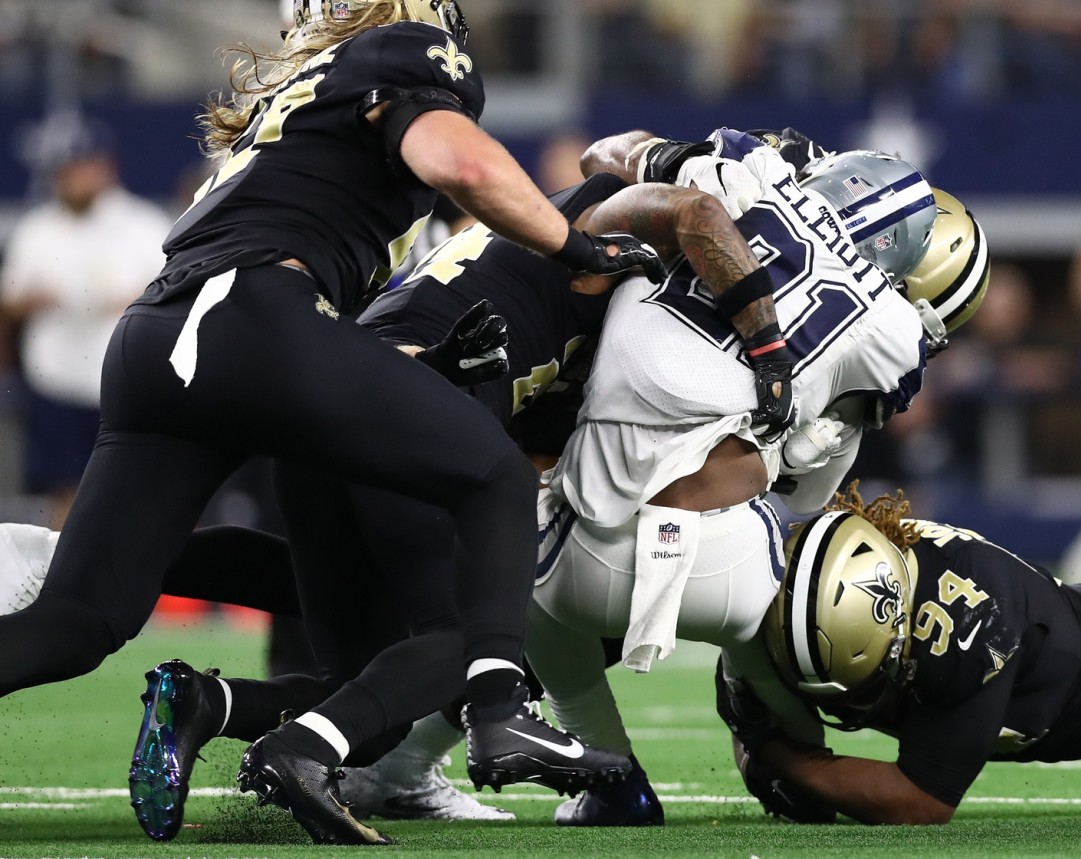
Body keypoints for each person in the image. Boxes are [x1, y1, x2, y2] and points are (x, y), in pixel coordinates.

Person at [0, 0, 670, 845]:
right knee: (489, 476)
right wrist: (575, 247)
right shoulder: (405, 51)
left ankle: (74, 562)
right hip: (252, 315)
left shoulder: (306, 90)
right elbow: (457, 159)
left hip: (156, 337)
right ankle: (501, 705)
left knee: (79, 622)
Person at [124, 160, 802, 843]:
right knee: (472, 639)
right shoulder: (597, 227)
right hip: (398, 405)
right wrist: (769, 347)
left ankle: (201, 696)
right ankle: (300, 749)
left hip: (333, 414)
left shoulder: (552, 287)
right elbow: (696, 215)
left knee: (372, 701)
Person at [522, 127, 990, 826]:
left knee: (516, 580)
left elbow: (601, 156)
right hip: (727, 569)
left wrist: (674, 166)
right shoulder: (889, 337)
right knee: (793, 559)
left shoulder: (745, 168)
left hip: (569, 527)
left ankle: (612, 777)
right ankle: (795, 760)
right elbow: (799, 492)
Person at [717, 482, 1081, 825]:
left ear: (899, 626)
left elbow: (919, 802)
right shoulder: (825, 572)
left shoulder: (973, 631)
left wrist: (783, 757)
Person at [0, 114, 172, 529]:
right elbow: (9, 302)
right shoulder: (39, 227)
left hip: (122, 382)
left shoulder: (142, 225)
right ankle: (67, 586)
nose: (72, 177)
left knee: (131, 489)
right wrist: (31, 300)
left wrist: (138, 302)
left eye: (79, 166)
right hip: (57, 379)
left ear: (103, 165)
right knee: (64, 492)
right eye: (64, 169)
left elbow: (179, 299)